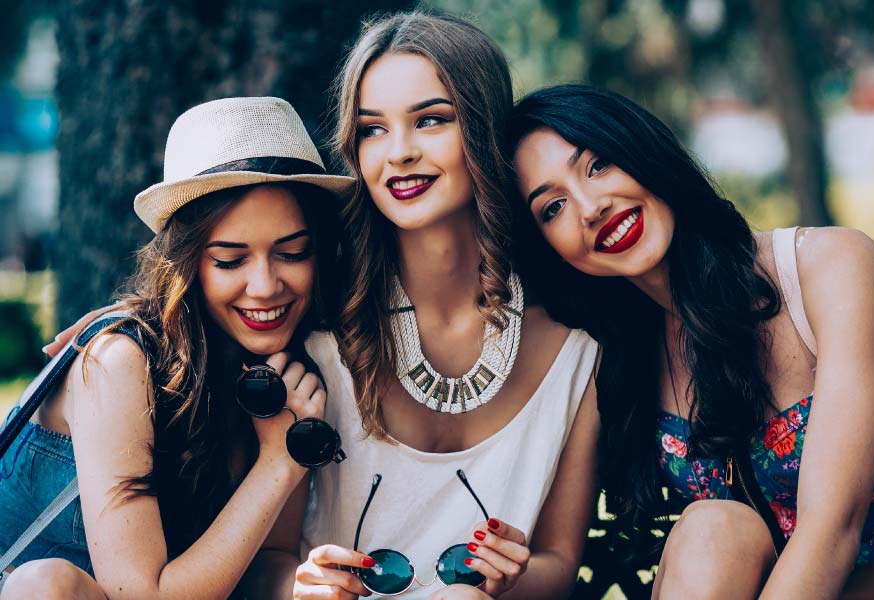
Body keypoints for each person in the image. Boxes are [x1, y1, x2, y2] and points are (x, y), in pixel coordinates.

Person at [507, 84, 874, 599]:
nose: (590, 207)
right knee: (713, 531)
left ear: (644, 149)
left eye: (598, 165)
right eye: (552, 208)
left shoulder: (829, 267)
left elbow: (832, 528)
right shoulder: (614, 360)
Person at [289, 13, 601, 600]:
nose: (399, 153)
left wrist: (510, 577)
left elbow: (559, 565)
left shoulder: (573, 347)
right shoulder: (320, 326)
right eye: (372, 129)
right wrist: (300, 585)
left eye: (430, 120)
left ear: (483, 131)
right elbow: (270, 561)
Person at [0, 96, 353, 600]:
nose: (265, 285)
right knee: (46, 585)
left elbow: (266, 562)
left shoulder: (285, 370)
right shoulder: (120, 362)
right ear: (188, 263)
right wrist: (279, 463)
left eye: (292, 252)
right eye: (230, 261)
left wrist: (302, 588)